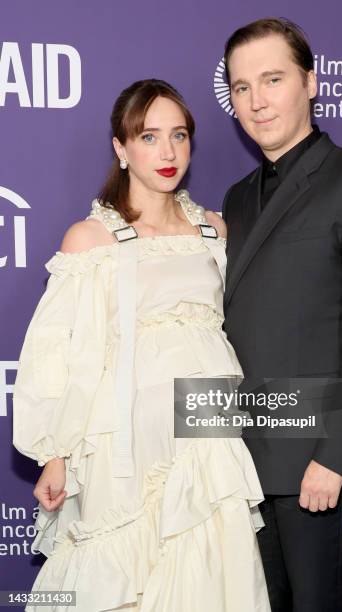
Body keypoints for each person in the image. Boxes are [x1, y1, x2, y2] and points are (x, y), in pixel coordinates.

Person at [13, 79, 272, 612]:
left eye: (179, 135)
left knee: (208, 567)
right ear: (120, 147)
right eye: (149, 136)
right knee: (122, 579)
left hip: (208, 425)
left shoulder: (217, 231)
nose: (168, 151)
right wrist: (56, 454)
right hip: (125, 440)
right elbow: (59, 355)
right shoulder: (91, 239)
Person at [221, 18, 342, 612]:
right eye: (242, 87)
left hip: (309, 462)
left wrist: (335, 455)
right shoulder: (235, 197)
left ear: (312, 82)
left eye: (272, 79)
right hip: (235, 458)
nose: (257, 100)